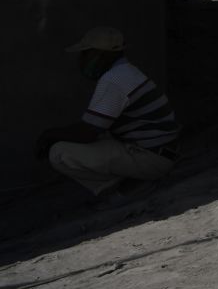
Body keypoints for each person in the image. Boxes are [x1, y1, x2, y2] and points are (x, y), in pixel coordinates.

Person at [35, 26, 180, 196]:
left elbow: (87, 132)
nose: (82, 60)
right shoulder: (127, 71)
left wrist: (49, 135)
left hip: (153, 160)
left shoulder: (113, 80)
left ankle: (117, 191)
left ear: (101, 54)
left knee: (59, 153)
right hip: (163, 152)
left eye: (86, 54)